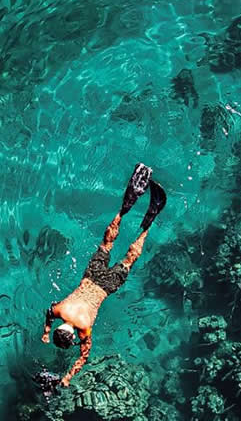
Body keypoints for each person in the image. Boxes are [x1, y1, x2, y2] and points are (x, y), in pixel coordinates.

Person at [41, 163, 166, 388]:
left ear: (72, 337)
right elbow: (49, 311)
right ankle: (123, 210)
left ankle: (148, 224)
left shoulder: (84, 328)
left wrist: (67, 377)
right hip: (91, 276)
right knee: (107, 244)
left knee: (128, 260)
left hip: (106, 287)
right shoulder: (61, 310)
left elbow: (84, 356)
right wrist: (46, 331)